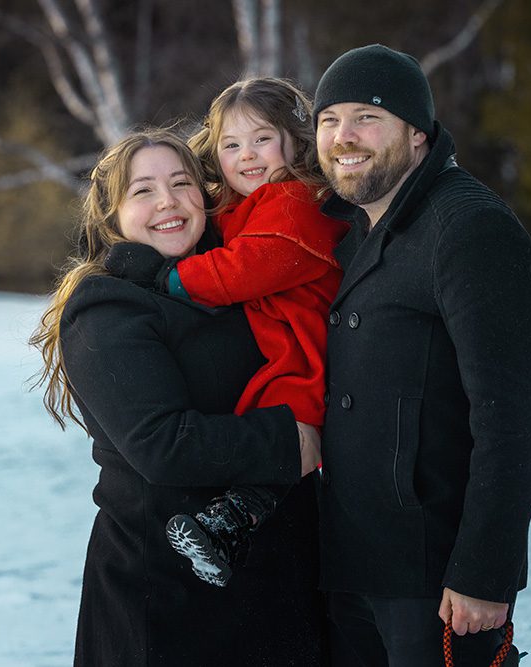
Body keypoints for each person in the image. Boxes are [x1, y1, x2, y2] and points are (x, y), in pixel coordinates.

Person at [30, 127, 327, 666]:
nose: (167, 201)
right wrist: (292, 440)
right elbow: (161, 444)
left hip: (277, 585)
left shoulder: (233, 277)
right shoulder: (106, 310)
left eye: (181, 182)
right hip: (166, 600)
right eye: (142, 190)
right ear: (111, 214)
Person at [311, 44, 531, 666]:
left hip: (436, 581)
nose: (344, 137)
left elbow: (513, 415)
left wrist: (486, 570)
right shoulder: (350, 227)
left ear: (417, 133)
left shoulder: (469, 227)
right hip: (353, 566)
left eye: (367, 116)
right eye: (329, 119)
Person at [103, 78, 348, 587]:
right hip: (279, 337)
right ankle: (230, 524)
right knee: (277, 430)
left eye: (262, 139)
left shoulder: (296, 203)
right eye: (231, 145)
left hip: (302, 346)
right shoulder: (246, 203)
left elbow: (241, 269)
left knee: (292, 431)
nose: (247, 155)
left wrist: (166, 278)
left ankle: (232, 521)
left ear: (294, 139)